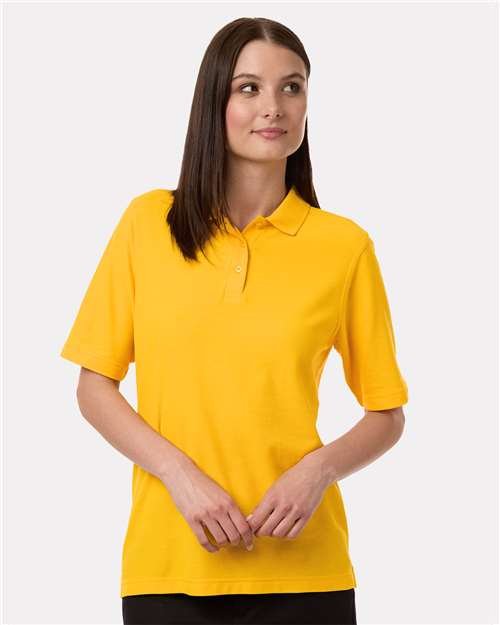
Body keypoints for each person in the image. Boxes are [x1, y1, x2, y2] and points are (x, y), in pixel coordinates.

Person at [60, 16, 409, 625]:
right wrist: (179, 475)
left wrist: (318, 471)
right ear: (213, 101)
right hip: (168, 566)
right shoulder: (148, 224)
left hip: (306, 573)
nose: (273, 106)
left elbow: (386, 413)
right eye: (248, 88)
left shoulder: (344, 247)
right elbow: (94, 387)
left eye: (291, 87)